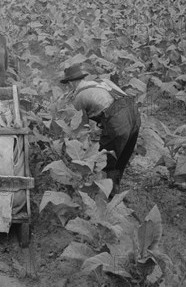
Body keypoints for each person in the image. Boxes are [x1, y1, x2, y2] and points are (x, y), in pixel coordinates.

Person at [60, 64, 141, 197]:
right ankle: (115, 189)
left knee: (106, 159)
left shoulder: (79, 97)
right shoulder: (103, 81)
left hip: (118, 122)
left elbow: (82, 129)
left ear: (71, 83)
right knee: (123, 156)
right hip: (134, 114)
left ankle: (106, 195)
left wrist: (83, 153)